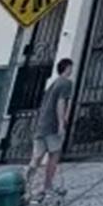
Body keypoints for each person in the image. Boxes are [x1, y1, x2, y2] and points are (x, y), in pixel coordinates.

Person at [29, 58, 73, 194]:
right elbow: (61, 102)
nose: (71, 70)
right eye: (70, 67)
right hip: (52, 124)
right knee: (54, 155)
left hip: (41, 124)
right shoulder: (66, 83)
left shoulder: (53, 84)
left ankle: (26, 185)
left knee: (36, 157)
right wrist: (61, 124)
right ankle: (47, 186)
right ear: (67, 68)